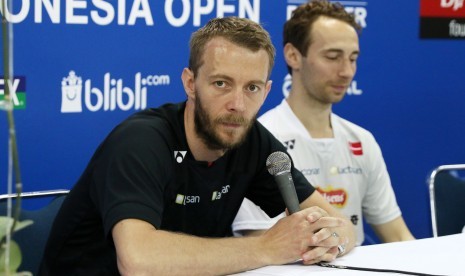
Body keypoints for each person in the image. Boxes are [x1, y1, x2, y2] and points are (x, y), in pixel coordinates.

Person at [39, 16, 356, 275]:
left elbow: (338, 222)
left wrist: (334, 239)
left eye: (252, 88)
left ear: (267, 90)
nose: (237, 104)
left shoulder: (252, 139)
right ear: (190, 83)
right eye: (221, 83)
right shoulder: (141, 141)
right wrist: (266, 247)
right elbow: (137, 261)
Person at [232, 0, 415, 246]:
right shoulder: (259, 141)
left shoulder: (361, 140)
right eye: (333, 57)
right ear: (293, 55)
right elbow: (260, 246)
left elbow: (399, 237)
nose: (347, 71)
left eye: (352, 58)